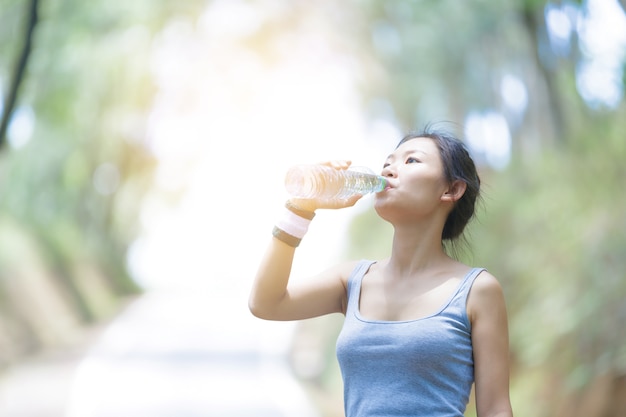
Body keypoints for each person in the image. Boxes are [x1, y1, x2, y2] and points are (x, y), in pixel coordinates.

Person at [249, 126, 513, 417]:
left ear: (451, 189)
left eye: (411, 161)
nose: (389, 169)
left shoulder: (477, 290)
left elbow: (495, 410)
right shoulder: (352, 281)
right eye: (388, 162)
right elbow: (266, 303)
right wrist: (300, 209)